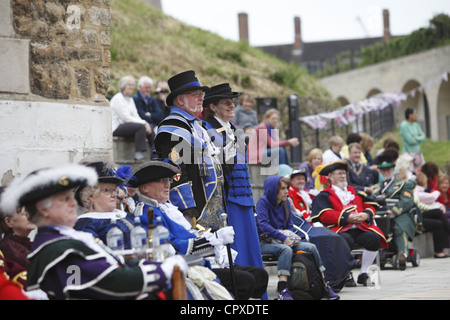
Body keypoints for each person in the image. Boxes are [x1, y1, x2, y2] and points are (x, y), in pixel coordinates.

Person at [0, 163, 187, 300]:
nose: (73, 203)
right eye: (64, 199)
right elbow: (110, 281)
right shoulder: (59, 251)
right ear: (43, 210)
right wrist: (164, 271)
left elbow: (118, 264)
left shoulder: (61, 242)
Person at [127, 160, 269, 300]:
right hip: (186, 266)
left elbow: (190, 232)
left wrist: (215, 239)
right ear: (145, 188)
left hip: (200, 260)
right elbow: (174, 247)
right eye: (162, 181)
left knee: (260, 275)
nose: (167, 185)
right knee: (245, 281)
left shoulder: (166, 208)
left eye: (168, 180)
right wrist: (215, 240)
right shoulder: (147, 213)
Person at [155, 70, 225, 229]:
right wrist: (187, 207)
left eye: (202, 94)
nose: (202, 98)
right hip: (194, 206)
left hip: (210, 203)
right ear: (180, 100)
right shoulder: (172, 127)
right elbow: (175, 169)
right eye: (196, 95)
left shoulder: (196, 125)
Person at [256, 175, 339, 300]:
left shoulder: (286, 203)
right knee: (286, 250)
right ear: (273, 190)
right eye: (282, 188)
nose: (286, 191)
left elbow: (289, 226)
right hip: (264, 242)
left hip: (283, 240)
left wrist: (288, 236)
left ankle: (324, 285)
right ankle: (282, 290)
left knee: (311, 247)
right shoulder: (263, 202)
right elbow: (263, 226)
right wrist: (283, 238)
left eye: (287, 188)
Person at [311, 161, 388, 284]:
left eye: (344, 173)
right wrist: (347, 218)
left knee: (373, 238)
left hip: (360, 227)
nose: (342, 176)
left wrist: (366, 214)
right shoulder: (324, 195)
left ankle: (364, 273)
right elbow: (325, 215)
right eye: (339, 174)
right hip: (339, 229)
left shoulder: (355, 191)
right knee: (344, 240)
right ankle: (346, 274)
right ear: (330, 176)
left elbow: (370, 205)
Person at [288, 169, 356, 290]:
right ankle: (331, 277)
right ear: (291, 180)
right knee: (330, 239)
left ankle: (341, 274)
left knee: (335, 238)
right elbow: (300, 215)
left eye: (303, 178)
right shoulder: (290, 195)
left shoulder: (307, 193)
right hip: (304, 228)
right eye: (297, 178)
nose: (301, 181)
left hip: (313, 226)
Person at [372, 155, 423, 270]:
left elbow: (407, 201)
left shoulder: (403, 184)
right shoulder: (376, 188)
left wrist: (393, 212)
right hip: (381, 216)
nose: (385, 172)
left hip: (401, 214)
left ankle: (402, 254)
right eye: (383, 169)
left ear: (393, 169)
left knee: (400, 227)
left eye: (388, 169)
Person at [74, 160, 137, 250]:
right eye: (107, 190)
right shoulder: (85, 224)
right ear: (91, 195)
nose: (114, 195)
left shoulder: (126, 215)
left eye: (114, 190)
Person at [111, 75, 153, 160]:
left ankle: (155, 154)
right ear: (123, 86)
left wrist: (145, 123)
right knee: (141, 126)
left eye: (133, 85)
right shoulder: (118, 98)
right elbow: (126, 118)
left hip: (127, 125)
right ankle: (138, 154)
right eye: (129, 85)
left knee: (150, 128)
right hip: (116, 126)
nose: (132, 87)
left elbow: (135, 115)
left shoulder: (130, 100)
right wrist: (144, 123)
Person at [414, 172, 450, 258]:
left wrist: (439, 206)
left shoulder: (420, 191)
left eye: (446, 183)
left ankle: (438, 251)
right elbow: (430, 199)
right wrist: (437, 191)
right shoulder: (417, 192)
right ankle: (439, 251)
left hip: (421, 216)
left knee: (439, 223)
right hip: (416, 218)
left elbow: (432, 203)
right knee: (438, 213)